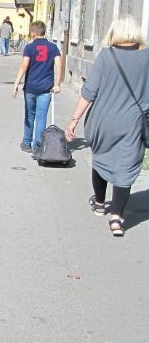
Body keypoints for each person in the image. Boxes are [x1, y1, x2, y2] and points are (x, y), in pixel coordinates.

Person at [64, 14, 149, 237]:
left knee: (101, 160)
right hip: (132, 122)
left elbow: (89, 92)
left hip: (102, 121)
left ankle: (100, 204)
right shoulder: (147, 57)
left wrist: (73, 120)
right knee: (127, 166)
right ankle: (117, 218)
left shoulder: (106, 56)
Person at [12, 20, 61, 153]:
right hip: (46, 88)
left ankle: (26, 142)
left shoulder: (29, 47)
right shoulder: (53, 47)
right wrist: (57, 84)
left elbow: (24, 66)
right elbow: (59, 64)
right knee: (41, 116)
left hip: (31, 88)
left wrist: (16, 83)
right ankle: (37, 146)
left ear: (33, 33)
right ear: (44, 32)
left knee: (29, 115)